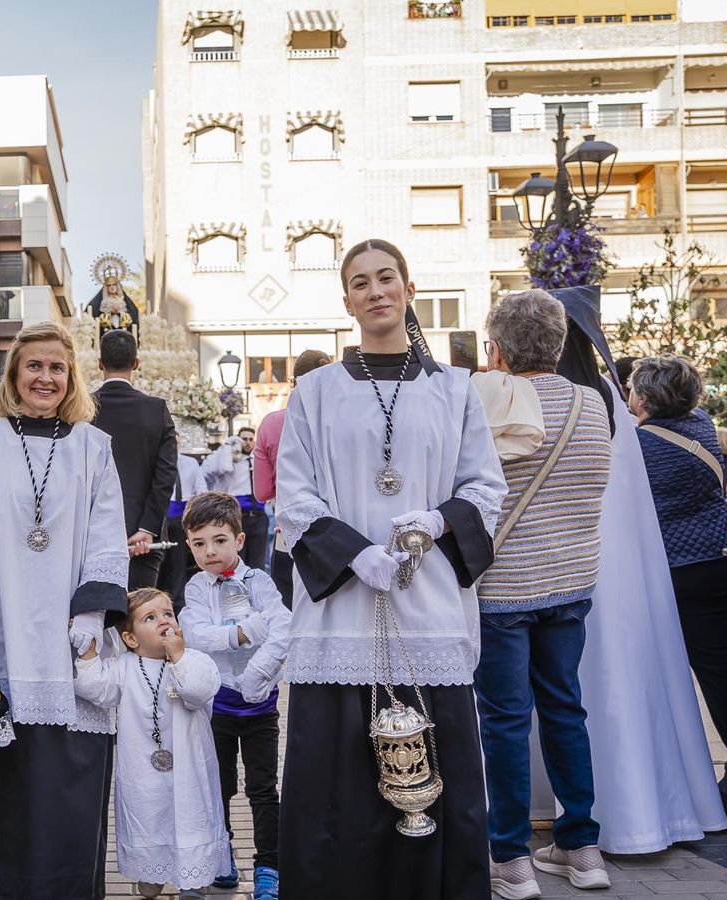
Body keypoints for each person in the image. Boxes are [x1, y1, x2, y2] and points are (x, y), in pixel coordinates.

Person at [274, 239, 505, 899]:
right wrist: (354, 554)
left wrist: (436, 522)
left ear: (407, 287)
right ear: (345, 300)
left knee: (433, 788)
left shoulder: (455, 388)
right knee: (333, 791)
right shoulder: (314, 392)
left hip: (427, 607)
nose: (375, 291)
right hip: (338, 615)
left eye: (386, 278)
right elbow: (293, 493)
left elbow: (485, 487)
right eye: (360, 283)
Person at [0, 321, 129, 899]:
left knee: (71, 799)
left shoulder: (93, 446)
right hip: (0, 644)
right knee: (4, 801)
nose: (45, 377)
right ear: (14, 374)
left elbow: (107, 539)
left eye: (57, 368)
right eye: (33, 366)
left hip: (70, 649)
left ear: (72, 378)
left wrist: (90, 620)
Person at [548, 284, 727, 854]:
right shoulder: (608, 399)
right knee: (648, 684)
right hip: (641, 572)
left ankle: (615, 819)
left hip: (587, 565)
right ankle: (663, 808)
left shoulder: (574, 401)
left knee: (594, 690)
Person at [469, 291, 612, 898]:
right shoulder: (593, 402)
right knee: (565, 711)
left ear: (496, 350)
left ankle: (510, 857)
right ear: (558, 345)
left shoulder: (484, 406)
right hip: (572, 582)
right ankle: (581, 847)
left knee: (503, 722)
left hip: (503, 588)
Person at [630, 353, 727, 753]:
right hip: (716, 558)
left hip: (670, 566)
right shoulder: (702, 426)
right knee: (721, 666)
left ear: (644, 400)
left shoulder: (637, 446)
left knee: (657, 671)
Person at [74, 588, 226, 900]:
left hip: (188, 768)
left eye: (168, 614)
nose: (163, 621)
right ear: (131, 639)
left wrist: (179, 655)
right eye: (150, 617)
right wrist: (88, 653)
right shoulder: (123, 667)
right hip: (143, 769)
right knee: (149, 815)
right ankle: (152, 870)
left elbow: (198, 691)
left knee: (191, 815)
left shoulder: (195, 659)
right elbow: (95, 688)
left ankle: (193, 879)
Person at [177, 492, 290, 900]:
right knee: (218, 785)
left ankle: (269, 866)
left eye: (219, 540)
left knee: (263, 788)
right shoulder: (195, 588)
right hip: (218, 707)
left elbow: (281, 628)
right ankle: (222, 856)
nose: (210, 551)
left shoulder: (260, 582)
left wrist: (258, 675)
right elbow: (194, 633)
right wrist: (239, 634)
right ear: (189, 544)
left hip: (260, 706)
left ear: (239, 541)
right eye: (199, 543)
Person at [92, 328, 179, 589]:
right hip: (144, 539)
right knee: (141, 616)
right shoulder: (156, 409)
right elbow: (165, 474)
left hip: (93, 536)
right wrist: (147, 527)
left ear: (99, 364)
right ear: (137, 364)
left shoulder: (82, 409)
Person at [252, 350, 331, 607]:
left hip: (289, 531)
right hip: (338, 531)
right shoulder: (338, 423)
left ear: (292, 381)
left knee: (289, 611)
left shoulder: (272, 423)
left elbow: (262, 491)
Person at [202, 425, 266, 570]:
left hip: (259, 516)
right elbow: (220, 469)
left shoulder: (257, 459)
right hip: (237, 516)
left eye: (251, 439)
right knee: (237, 559)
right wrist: (228, 447)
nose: (248, 442)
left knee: (258, 562)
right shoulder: (228, 460)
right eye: (244, 439)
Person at [158, 452, 208, 607]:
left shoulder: (190, 463)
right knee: (160, 563)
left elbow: (201, 490)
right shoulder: (157, 459)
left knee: (179, 565)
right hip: (160, 518)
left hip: (182, 518)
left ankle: (179, 603)